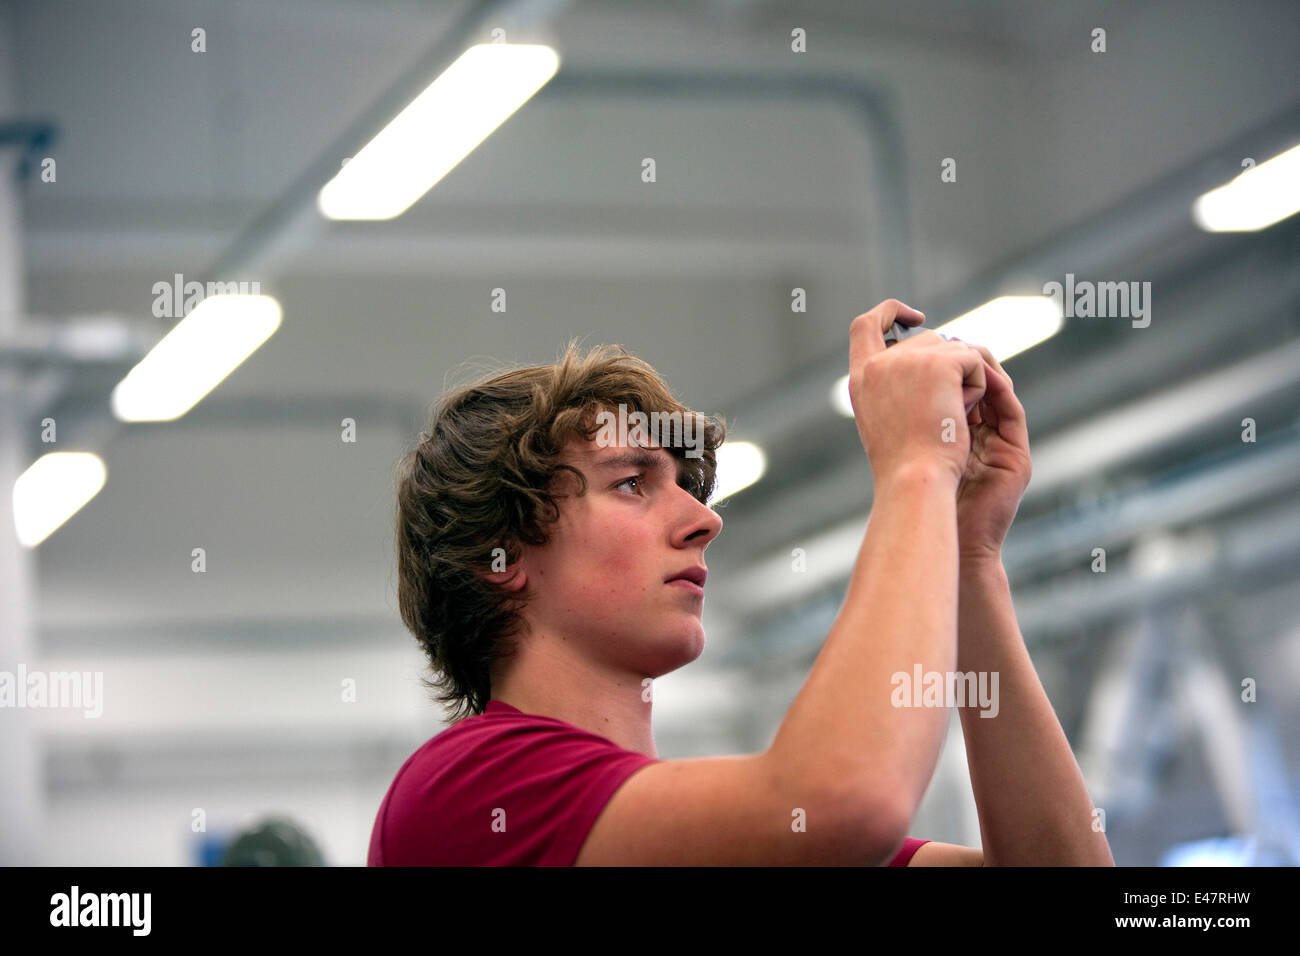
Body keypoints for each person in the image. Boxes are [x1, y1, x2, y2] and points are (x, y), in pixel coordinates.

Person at [368, 299, 1115, 866]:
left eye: (688, 485)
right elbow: (844, 800)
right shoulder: (466, 790)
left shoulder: (728, 829)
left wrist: (966, 553)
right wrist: (915, 467)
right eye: (632, 483)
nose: (704, 521)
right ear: (500, 558)